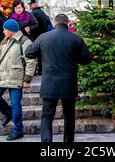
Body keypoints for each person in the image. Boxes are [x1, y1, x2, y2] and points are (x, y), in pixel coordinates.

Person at [25, 14, 91, 143]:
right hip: (69, 83)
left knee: (47, 117)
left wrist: (42, 52)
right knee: (69, 117)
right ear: (67, 23)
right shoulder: (76, 38)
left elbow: (29, 52)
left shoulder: (44, 37)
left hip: (50, 83)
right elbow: (86, 59)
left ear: (54, 23)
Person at [0, 19, 36, 141]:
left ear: (11, 30)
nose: (3, 31)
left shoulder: (25, 41)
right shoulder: (4, 41)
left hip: (16, 78)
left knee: (16, 105)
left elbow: (31, 61)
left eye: (5, 29)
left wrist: (27, 79)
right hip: (2, 77)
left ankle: (18, 130)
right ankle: (8, 113)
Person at [27, 0, 52, 75]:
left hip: (37, 36)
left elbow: (31, 25)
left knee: (36, 53)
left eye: (30, 5)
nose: (29, 6)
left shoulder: (33, 13)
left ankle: (36, 70)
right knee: (42, 53)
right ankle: (42, 70)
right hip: (45, 36)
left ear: (34, 5)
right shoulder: (42, 12)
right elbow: (49, 23)